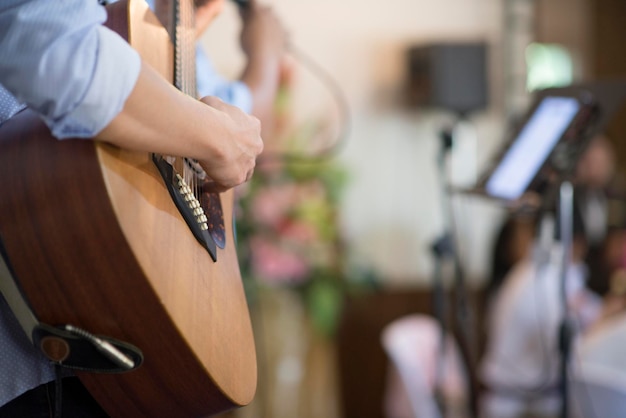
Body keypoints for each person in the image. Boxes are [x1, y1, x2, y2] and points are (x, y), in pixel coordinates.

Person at [0, 0, 285, 415]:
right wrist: (263, 61)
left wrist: (172, 46)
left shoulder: (156, 12)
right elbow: (53, 43)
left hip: (133, 343)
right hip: (27, 351)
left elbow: (238, 150)